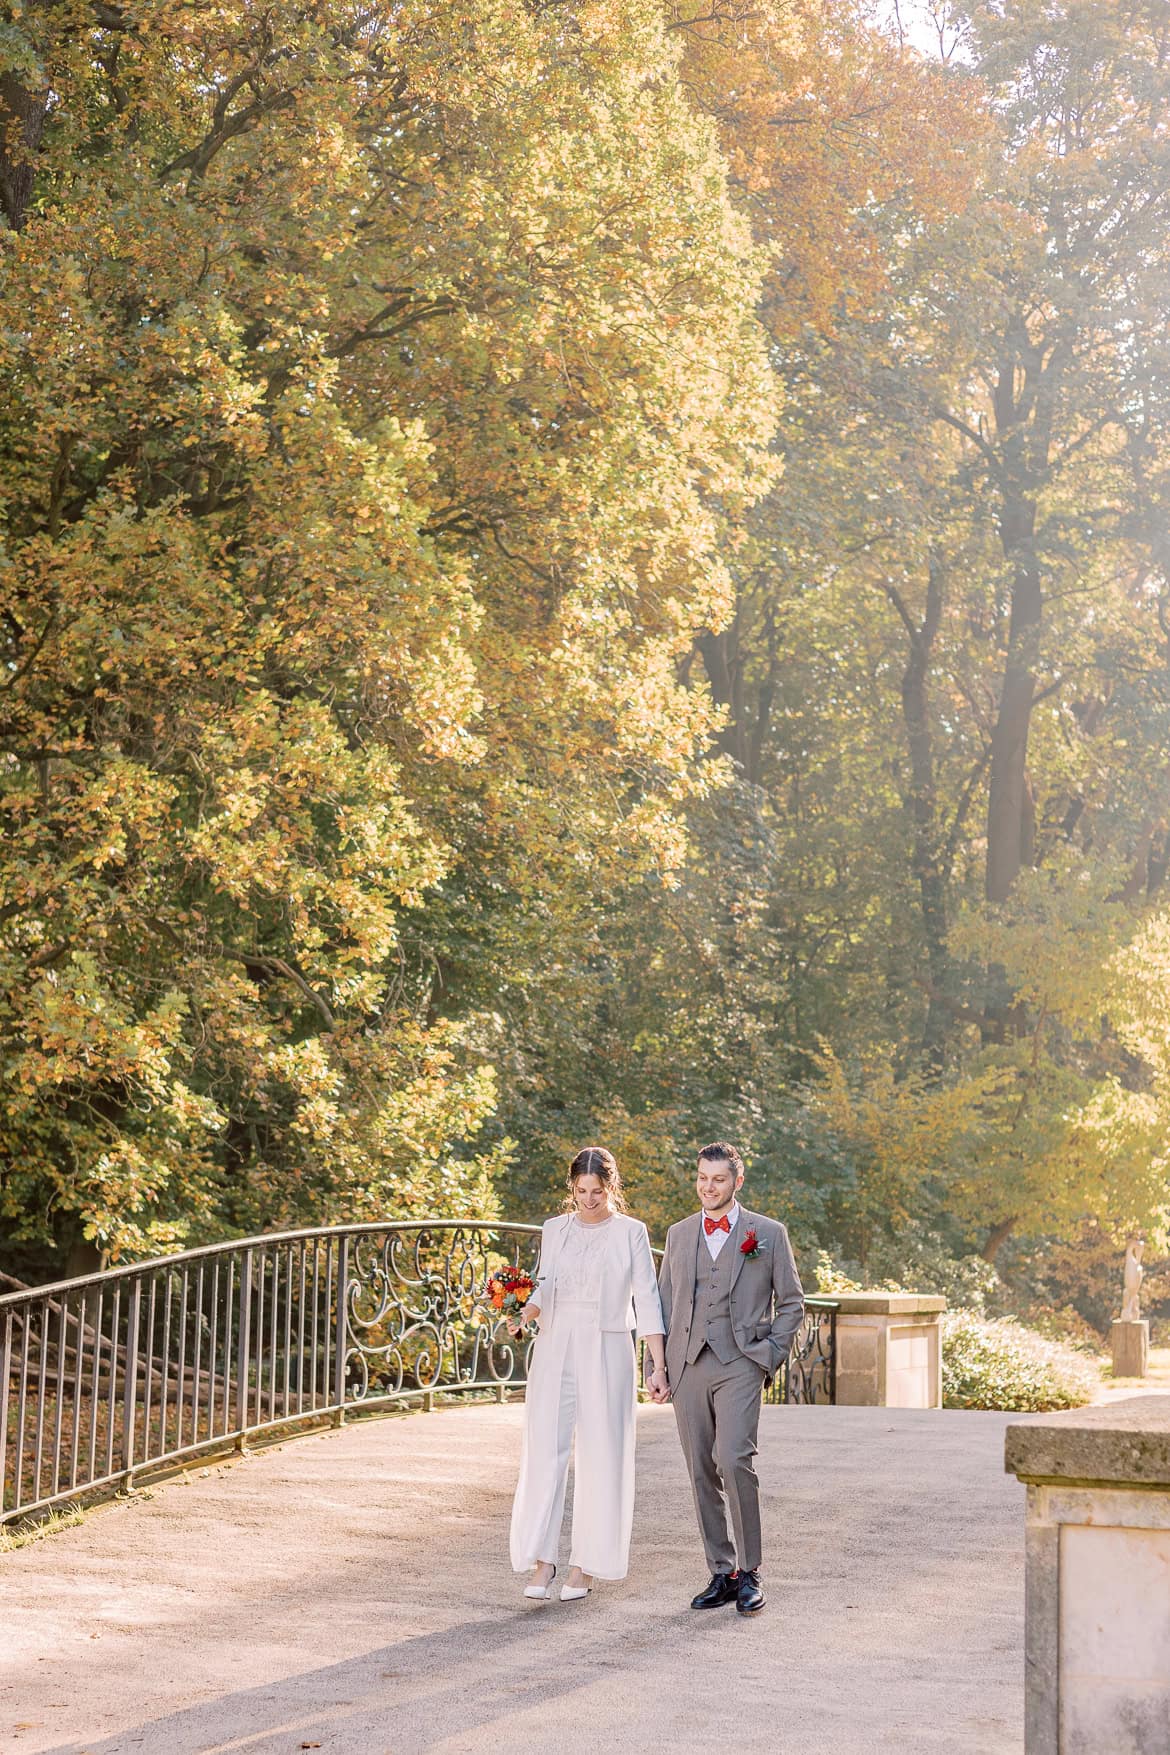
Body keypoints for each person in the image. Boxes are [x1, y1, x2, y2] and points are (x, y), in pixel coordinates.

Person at [508, 1146, 667, 1602]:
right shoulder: (554, 1229)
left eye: (597, 1191)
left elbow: (647, 1298)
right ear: (571, 1189)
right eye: (581, 1191)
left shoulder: (630, 1232)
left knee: (603, 1452)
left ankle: (586, 1565)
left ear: (611, 1188)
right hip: (555, 1341)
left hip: (607, 1343)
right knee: (544, 1448)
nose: (589, 1200)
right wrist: (523, 1314)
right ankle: (542, 1559)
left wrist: (657, 1364)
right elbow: (545, 1284)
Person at [655, 1141, 804, 1617]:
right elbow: (660, 1305)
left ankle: (750, 1571)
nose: (707, 1187)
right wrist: (656, 1368)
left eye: (718, 1179)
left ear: (737, 1182)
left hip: (741, 1361)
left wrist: (768, 1355)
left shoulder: (768, 1233)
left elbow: (792, 1302)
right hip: (687, 1364)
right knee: (700, 1467)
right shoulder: (678, 1235)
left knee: (734, 1457)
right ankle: (721, 1571)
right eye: (702, 1178)